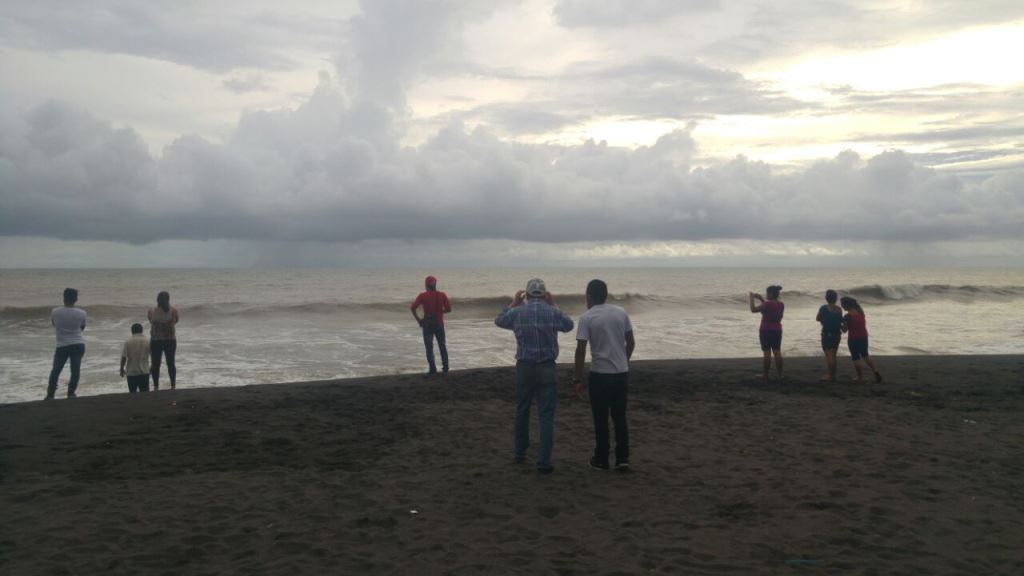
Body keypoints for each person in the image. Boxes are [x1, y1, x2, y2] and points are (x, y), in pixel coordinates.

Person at [495, 278, 574, 474]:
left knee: (522, 409)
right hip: (547, 367)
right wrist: (553, 304)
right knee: (546, 415)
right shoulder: (552, 312)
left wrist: (514, 302)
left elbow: (499, 320)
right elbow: (569, 325)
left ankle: (520, 453)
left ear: (527, 295)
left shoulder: (517, 312)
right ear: (545, 294)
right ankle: (544, 462)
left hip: (525, 367)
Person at [574, 279, 635, 472]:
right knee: (619, 417)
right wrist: (623, 361)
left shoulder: (587, 317)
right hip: (620, 373)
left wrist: (578, 379)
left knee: (600, 418)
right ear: (606, 295)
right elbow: (631, 342)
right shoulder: (620, 312)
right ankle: (622, 458)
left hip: (599, 374)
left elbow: (580, 350)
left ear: (589, 296)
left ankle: (601, 458)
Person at [47, 288, 87, 400]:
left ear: (64, 297)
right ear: (76, 299)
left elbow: (54, 324)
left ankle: (50, 394)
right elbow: (82, 327)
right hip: (78, 344)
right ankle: (71, 393)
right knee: (75, 370)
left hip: (62, 345)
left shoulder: (55, 311)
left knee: (56, 370)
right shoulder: (82, 313)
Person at [410, 275, 452, 375]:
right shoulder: (442, 295)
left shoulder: (422, 296)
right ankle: (445, 367)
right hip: (439, 324)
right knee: (442, 346)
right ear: (435, 284)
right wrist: (441, 312)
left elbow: (412, 308)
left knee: (429, 348)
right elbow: (449, 309)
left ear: (426, 285)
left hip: (427, 325)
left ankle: (432, 369)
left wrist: (419, 320)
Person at [840, 296, 883, 383]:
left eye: (842, 304)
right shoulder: (861, 312)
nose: (842, 306)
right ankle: (875, 371)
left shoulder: (847, 317)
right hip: (864, 337)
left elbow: (844, 330)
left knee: (856, 358)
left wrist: (839, 324)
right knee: (865, 355)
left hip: (853, 338)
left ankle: (860, 377)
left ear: (846, 305)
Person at [749, 285, 784, 382]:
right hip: (777, 330)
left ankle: (765, 375)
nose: (766, 294)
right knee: (777, 352)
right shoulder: (781, 304)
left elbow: (753, 309)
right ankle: (780, 375)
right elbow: (767, 309)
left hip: (766, 330)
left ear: (771, 293)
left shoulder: (768, 304)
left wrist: (751, 299)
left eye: (767, 293)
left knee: (767, 353)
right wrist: (760, 298)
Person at [148, 291, 179, 390]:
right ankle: (173, 385)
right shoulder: (173, 310)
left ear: (158, 299)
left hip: (156, 340)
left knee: (155, 364)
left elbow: (150, 320)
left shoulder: (152, 310)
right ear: (168, 299)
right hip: (170, 340)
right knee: (171, 363)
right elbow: (176, 321)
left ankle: (156, 386)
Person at [816, 289, 844, 382]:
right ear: (835, 299)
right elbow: (839, 320)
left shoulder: (823, 308)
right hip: (837, 334)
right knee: (833, 355)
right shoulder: (839, 309)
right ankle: (833, 374)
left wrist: (825, 319)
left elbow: (818, 318)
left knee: (829, 356)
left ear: (826, 298)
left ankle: (830, 376)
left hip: (827, 334)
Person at [120, 323, 151, 393]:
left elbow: (124, 357)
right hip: (144, 372)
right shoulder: (147, 341)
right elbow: (153, 356)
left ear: (132, 331)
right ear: (142, 331)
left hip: (131, 373)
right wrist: (152, 367)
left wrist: (121, 369)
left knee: (132, 394)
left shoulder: (128, 342)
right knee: (145, 394)